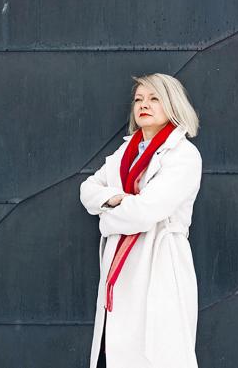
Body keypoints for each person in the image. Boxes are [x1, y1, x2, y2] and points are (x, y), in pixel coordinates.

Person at [79, 73, 202, 368]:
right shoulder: (126, 152)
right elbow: (88, 190)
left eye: (154, 98)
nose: (143, 105)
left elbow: (145, 212)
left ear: (172, 104)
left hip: (160, 262)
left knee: (158, 351)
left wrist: (106, 219)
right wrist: (114, 199)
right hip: (121, 264)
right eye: (139, 99)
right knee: (118, 349)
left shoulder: (183, 155)